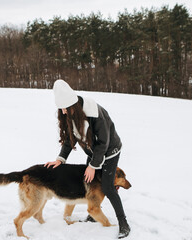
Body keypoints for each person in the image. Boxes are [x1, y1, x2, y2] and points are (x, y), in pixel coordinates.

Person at [44, 79, 131, 239]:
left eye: (64, 108)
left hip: (110, 152)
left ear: (72, 105)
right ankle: (92, 214)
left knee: (107, 186)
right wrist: (60, 159)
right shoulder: (71, 114)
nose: (63, 112)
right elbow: (71, 139)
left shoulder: (94, 113)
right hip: (94, 153)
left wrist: (93, 165)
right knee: (88, 182)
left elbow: (103, 143)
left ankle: (123, 223)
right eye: (61, 108)